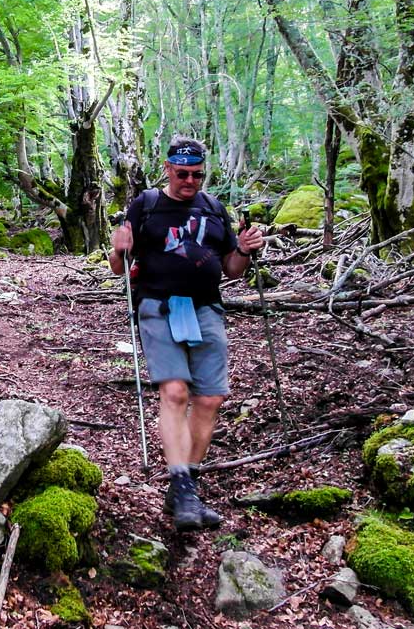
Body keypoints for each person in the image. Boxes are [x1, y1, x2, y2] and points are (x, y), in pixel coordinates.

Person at [108, 136, 265, 532]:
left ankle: (186, 488)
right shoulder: (146, 205)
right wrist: (117, 249)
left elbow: (232, 269)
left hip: (206, 307)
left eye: (197, 174)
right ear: (167, 169)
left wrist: (244, 248)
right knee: (175, 391)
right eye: (182, 174)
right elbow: (119, 267)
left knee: (210, 397)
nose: (189, 181)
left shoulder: (214, 209)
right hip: (157, 305)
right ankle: (180, 484)